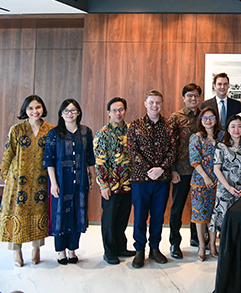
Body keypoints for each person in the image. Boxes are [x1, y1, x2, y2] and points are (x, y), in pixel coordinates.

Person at [0, 95, 54, 267]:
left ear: (43, 109)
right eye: (30, 108)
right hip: (18, 180)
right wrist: (3, 173)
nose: (35, 111)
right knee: (17, 213)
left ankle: (36, 249)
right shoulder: (16, 129)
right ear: (25, 111)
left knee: (39, 214)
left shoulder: (50, 130)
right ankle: (16, 252)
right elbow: (8, 153)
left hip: (40, 179)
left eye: (37, 107)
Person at [127, 90, 177, 268]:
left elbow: (173, 150)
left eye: (158, 102)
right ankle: (139, 250)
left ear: (161, 104)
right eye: (152, 102)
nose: (155, 106)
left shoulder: (169, 125)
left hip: (162, 179)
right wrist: (150, 169)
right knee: (140, 216)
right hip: (141, 179)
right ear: (145, 104)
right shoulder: (135, 125)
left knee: (158, 216)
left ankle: (154, 249)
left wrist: (161, 168)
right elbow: (132, 151)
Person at [43, 99, 96, 265]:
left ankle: (72, 249)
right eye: (66, 111)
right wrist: (53, 183)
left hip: (80, 181)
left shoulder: (86, 132)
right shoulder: (54, 133)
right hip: (61, 182)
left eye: (73, 111)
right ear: (61, 114)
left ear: (78, 113)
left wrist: (92, 176)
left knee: (77, 214)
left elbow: (90, 157)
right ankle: (60, 252)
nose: (70, 114)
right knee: (60, 215)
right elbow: (49, 160)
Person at [94, 97, 135, 265]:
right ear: (108, 112)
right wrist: (103, 185)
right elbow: (99, 162)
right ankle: (109, 252)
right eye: (114, 110)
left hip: (129, 183)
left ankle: (120, 248)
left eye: (121, 109)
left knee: (122, 218)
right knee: (109, 220)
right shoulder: (103, 133)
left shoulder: (131, 130)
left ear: (125, 110)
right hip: (111, 185)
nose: (118, 113)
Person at [168, 83, 202, 259]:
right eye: (189, 96)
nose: (193, 99)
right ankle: (174, 242)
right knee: (177, 208)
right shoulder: (175, 117)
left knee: (198, 205)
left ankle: (196, 238)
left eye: (196, 95)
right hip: (181, 171)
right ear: (183, 98)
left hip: (201, 171)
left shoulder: (204, 115)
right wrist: (172, 170)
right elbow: (170, 146)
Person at [210, 115, 241, 233]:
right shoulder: (221, 146)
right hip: (225, 189)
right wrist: (229, 188)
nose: (236, 130)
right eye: (233, 126)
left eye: (239, 126)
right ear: (228, 129)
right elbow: (216, 169)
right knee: (224, 221)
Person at [189, 106, 224, 261]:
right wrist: (206, 177)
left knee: (214, 214)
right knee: (200, 214)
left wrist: (219, 177)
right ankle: (202, 246)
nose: (208, 120)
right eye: (205, 118)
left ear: (216, 120)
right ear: (201, 121)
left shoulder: (223, 136)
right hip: (200, 182)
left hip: (219, 181)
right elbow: (194, 161)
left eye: (211, 117)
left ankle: (213, 245)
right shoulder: (196, 137)